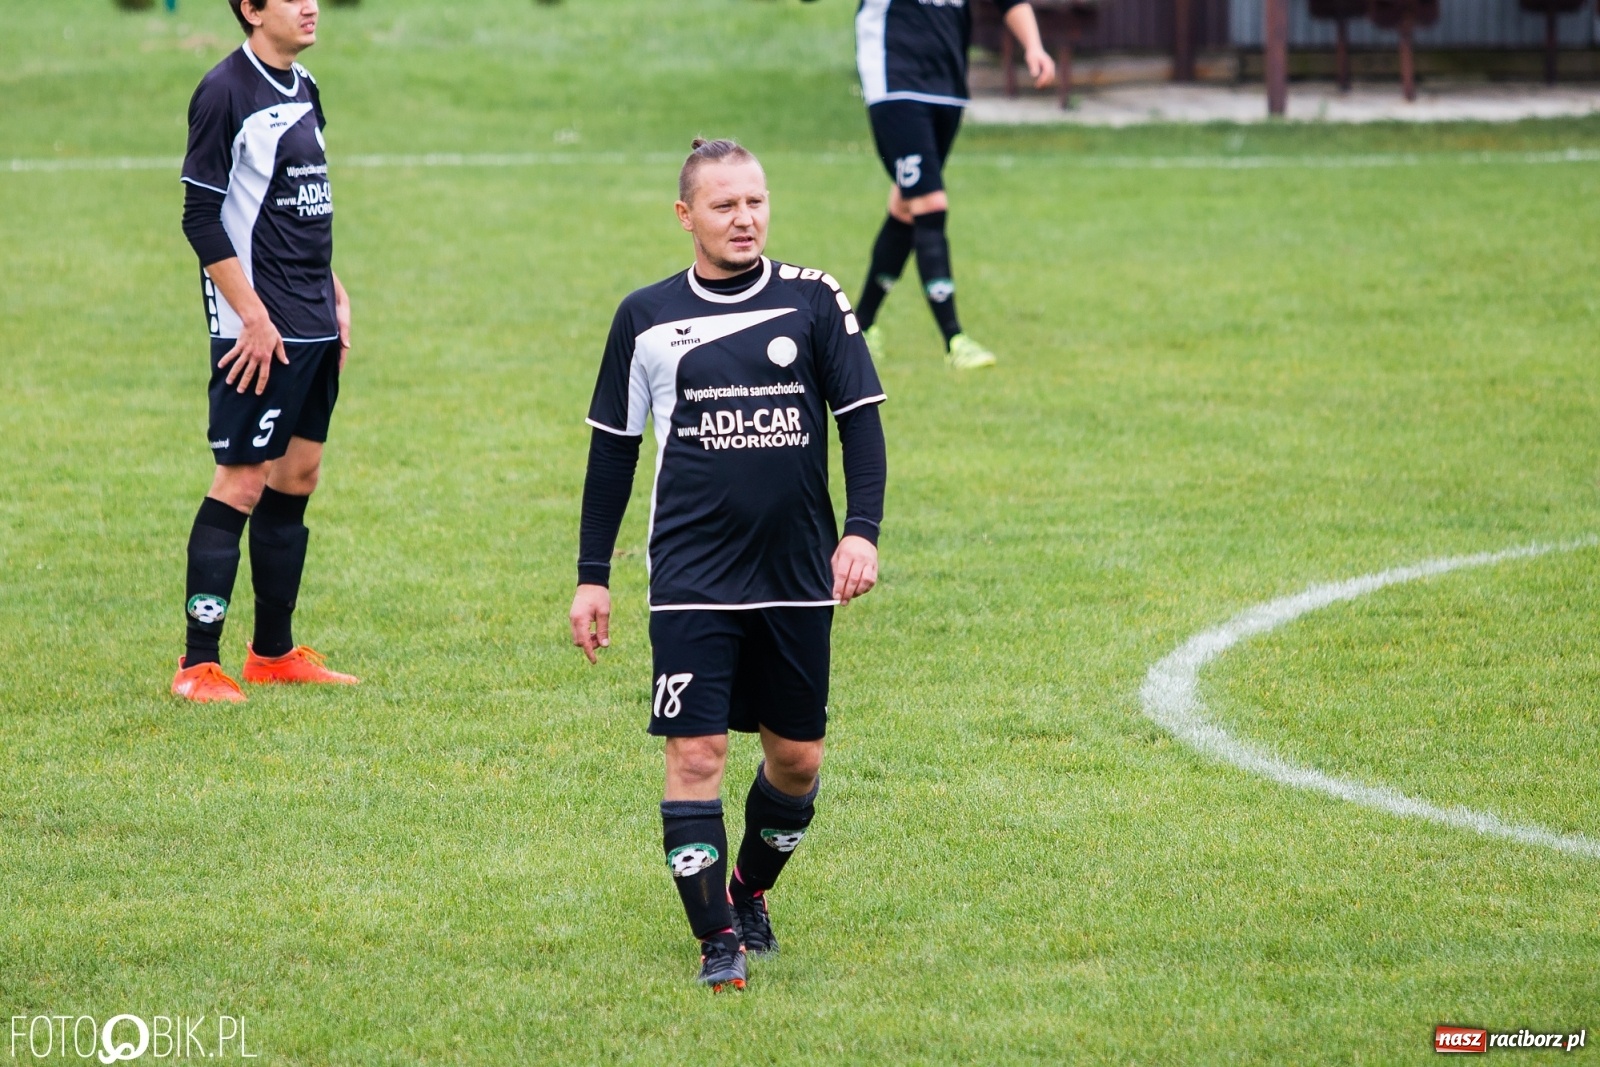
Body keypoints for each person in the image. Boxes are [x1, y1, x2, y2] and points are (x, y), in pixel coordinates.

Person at [568, 139, 887, 991]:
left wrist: (861, 531)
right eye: (724, 205)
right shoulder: (644, 317)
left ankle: (748, 890)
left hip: (796, 571)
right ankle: (717, 939)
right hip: (691, 574)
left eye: (756, 201)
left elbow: (860, 420)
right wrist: (593, 573)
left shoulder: (814, 300)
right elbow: (613, 452)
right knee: (697, 752)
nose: (745, 219)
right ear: (686, 216)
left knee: (798, 759)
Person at [171, 0, 358, 703]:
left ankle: (272, 654)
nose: (310, 5)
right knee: (242, 480)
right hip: (257, 326)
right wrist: (251, 316)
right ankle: (197, 665)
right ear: (250, 9)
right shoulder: (224, 91)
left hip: (311, 318)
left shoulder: (304, 84)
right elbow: (200, 217)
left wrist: (335, 292)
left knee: (298, 476)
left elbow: (302, 206)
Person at [851, 0, 1056, 369]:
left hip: (947, 89)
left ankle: (859, 328)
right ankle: (954, 340)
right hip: (896, 84)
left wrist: (1034, 46)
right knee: (929, 204)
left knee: (907, 207)